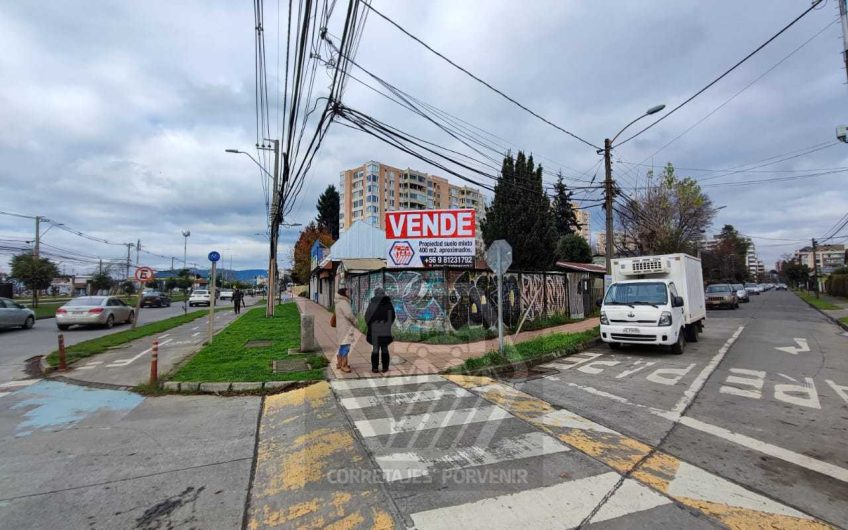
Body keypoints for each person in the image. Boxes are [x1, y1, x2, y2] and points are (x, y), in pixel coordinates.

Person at [365, 287, 395, 374]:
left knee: (375, 349)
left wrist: (371, 326)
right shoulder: (389, 304)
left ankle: (375, 368)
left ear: (375, 294)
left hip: (374, 330)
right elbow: (392, 316)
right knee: (385, 348)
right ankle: (385, 367)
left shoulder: (372, 304)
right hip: (385, 330)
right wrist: (388, 325)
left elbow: (367, 317)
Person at [334, 288, 356, 373]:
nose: (348, 293)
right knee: (346, 346)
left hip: (341, 327)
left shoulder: (339, 302)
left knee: (343, 345)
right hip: (345, 327)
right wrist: (355, 321)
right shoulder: (343, 302)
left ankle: (339, 363)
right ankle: (344, 365)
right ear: (343, 293)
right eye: (347, 292)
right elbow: (349, 314)